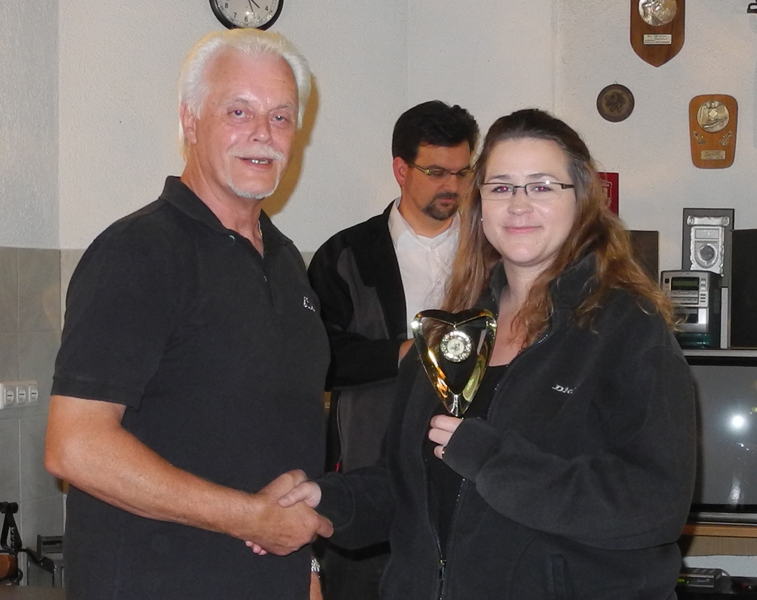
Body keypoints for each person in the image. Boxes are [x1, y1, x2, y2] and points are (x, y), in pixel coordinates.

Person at [275, 108, 697, 599]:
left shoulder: (627, 329)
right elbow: (405, 484)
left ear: (581, 198)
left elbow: (653, 505)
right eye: (501, 187)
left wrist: (492, 460)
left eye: (541, 186)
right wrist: (328, 500)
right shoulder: (453, 330)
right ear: (479, 203)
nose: (519, 205)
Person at [44, 29, 332, 600]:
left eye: (280, 117)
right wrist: (250, 518)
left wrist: (307, 570)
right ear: (190, 122)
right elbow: (74, 445)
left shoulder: (285, 261)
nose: (262, 132)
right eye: (238, 111)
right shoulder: (139, 251)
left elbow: (276, 437)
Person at [306, 100, 478, 600]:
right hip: (370, 476)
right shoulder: (346, 254)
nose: (452, 186)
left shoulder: (491, 252)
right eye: (436, 172)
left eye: (462, 172)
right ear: (401, 170)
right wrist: (405, 354)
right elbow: (317, 357)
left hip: (471, 479)